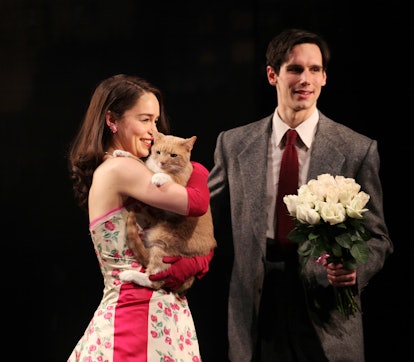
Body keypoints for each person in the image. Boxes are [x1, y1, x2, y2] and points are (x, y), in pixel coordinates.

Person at [207, 28, 393, 362]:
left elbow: (378, 236)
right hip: (256, 303)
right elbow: (201, 212)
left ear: (324, 78)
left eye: (314, 70)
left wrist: (354, 269)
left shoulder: (356, 149)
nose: (305, 78)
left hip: (325, 306)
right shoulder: (234, 144)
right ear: (272, 75)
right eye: (295, 69)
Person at [67, 73, 214, 361]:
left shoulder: (125, 166)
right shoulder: (122, 168)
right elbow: (196, 203)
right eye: (144, 119)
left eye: (155, 121)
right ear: (112, 120)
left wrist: (195, 259)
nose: (152, 130)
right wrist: (196, 167)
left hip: (152, 311)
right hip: (138, 320)